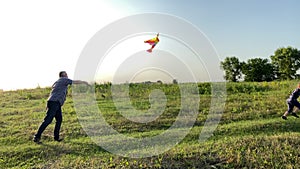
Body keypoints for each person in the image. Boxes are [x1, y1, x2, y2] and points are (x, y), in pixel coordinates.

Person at [33, 71, 90, 143]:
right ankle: (36, 137)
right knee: (47, 120)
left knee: (59, 120)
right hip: (55, 103)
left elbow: (52, 93)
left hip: (54, 102)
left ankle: (56, 137)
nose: (67, 75)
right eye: (66, 74)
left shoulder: (57, 82)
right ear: (63, 75)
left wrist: (48, 104)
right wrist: (84, 82)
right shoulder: (64, 79)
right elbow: (74, 82)